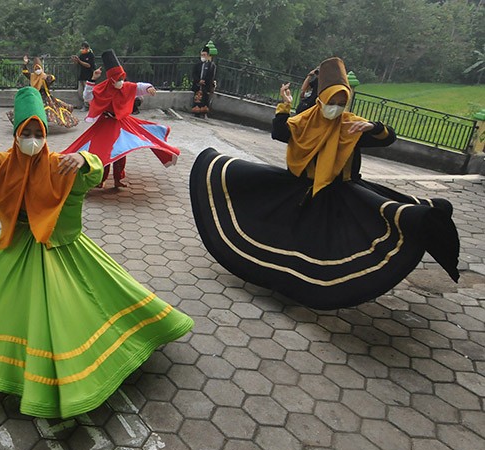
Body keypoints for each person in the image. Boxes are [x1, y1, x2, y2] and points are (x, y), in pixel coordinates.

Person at [0, 87, 193, 418]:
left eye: (38, 133)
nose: (32, 139)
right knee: (4, 306)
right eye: (26, 133)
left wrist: (86, 159)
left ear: (45, 134)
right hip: (15, 244)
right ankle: (7, 368)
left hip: (58, 246)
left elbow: (88, 177)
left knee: (70, 309)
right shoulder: (3, 163)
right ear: (17, 134)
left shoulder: (58, 164)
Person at [189, 57, 459, 310]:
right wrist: (284, 104)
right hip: (299, 189)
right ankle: (283, 283)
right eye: (333, 100)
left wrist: (373, 127)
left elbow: (388, 138)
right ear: (322, 98)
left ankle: (318, 291)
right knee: (287, 238)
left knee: (340, 242)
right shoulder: (305, 121)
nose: (337, 106)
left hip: (341, 193)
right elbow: (280, 132)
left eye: (342, 101)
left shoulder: (352, 126)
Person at [64, 50, 179, 189]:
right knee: (103, 151)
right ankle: (100, 179)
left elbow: (139, 87)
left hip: (121, 122)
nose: (120, 81)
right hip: (106, 123)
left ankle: (119, 178)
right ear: (111, 79)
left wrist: (149, 88)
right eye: (117, 79)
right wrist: (92, 80)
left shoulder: (126, 86)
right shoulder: (103, 88)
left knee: (121, 151)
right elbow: (88, 97)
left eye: (122, 78)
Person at [6, 55, 78, 129]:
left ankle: (44, 122)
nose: (37, 70)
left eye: (38, 68)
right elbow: (25, 72)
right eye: (36, 68)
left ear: (41, 68)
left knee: (49, 109)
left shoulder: (44, 76)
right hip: (34, 96)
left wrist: (48, 77)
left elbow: (52, 78)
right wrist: (25, 63)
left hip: (44, 96)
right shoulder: (32, 76)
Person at [190, 46, 216, 118]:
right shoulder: (197, 65)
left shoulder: (211, 65)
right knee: (197, 99)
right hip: (198, 85)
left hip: (206, 86)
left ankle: (203, 113)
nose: (202, 56)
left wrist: (204, 81)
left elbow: (211, 75)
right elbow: (194, 74)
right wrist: (198, 81)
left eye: (204, 55)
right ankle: (196, 112)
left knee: (205, 99)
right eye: (202, 55)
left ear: (207, 55)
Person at [71, 41, 95, 111]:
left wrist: (79, 61)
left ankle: (87, 105)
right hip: (81, 76)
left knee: (87, 91)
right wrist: (75, 60)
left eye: (83, 48)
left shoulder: (91, 55)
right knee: (80, 91)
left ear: (87, 48)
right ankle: (84, 104)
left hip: (88, 76)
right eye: (81, 48)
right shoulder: (81, 55)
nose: (82, 50)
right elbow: (77, 64)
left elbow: (89, 65)